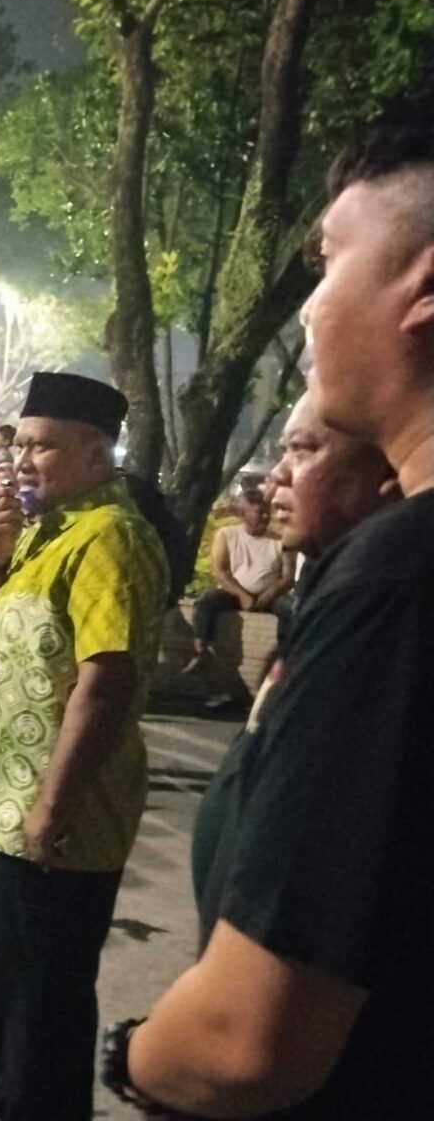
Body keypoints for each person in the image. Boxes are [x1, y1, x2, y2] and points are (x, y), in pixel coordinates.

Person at [106, 119, 434, 1121]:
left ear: (424, 291)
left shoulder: (399, 578)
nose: (310, 306)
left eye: (330, 261)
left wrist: (132, 1060)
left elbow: (246, 1045)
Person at [0, 371, 167, 1121]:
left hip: (50, 820)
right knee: (10, 992)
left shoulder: (110, 537)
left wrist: (52, 806)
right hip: (2, 809)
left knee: (41, 1009)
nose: (22, 461)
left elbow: (107, 680)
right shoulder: (46, 526)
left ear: (98, 452)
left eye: (44, 446)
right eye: (20, 445)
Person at [183, 486, 293, 673]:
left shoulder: (281, 540)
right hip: (234, 593)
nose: (265, 517)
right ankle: (201, 651)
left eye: (267, 512)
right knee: (206, 602)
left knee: (290, 609)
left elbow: (288, 577)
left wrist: (270, 593)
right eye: (260, 512)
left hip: (270, 595)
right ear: (245, 514)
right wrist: (242, 595)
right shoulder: (226, 535)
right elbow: (220, 572)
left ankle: (284, 659)